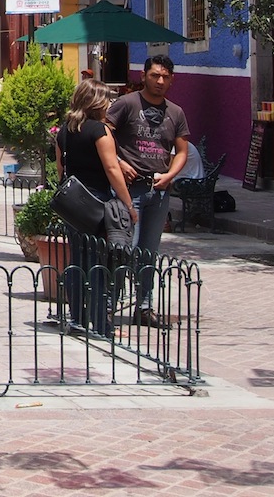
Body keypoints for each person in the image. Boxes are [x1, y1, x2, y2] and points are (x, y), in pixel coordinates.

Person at [106, 53, 190, 327]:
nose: (160, 81)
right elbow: (103, 135)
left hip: (159, 191)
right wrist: (119, 162)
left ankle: (144, 307)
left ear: (172, 80)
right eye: (155, 75)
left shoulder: (175, 112)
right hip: (130, 191)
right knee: (124, 249)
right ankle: (109, 306)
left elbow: (181, 151)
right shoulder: (126, 104)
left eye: (165, 77)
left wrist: (170, 175)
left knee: (148, 252)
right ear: (143, 76)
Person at [55, 79, 137, 338]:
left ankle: (78, 319)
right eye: (107, 99)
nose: (110, 104)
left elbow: (60, 170)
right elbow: (112, 169)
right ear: (96, 102)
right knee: (100, 264)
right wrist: (128, 204)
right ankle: (102, 325)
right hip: (97, 202)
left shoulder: (64, 132)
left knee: (78, 260)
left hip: (73, 207)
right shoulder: (100, 131)